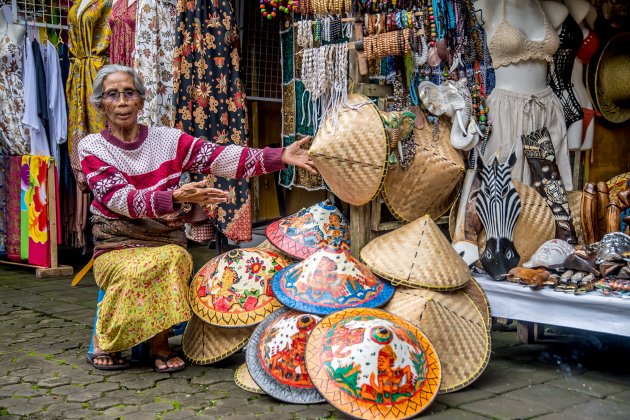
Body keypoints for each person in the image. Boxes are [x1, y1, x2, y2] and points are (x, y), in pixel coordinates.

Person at [79, 64, 317, 372]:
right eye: (112, 95)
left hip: (164, 239)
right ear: (100, 103)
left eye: (129, 93)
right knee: (140, 268)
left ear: (140, 100)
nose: (122, 101)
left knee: (175, 259)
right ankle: (109, 340)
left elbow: (220, 158)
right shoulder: (92, 147)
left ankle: (159, 344)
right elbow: (122, 201)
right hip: (117, 243)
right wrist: (175, 197)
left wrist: (279, 156)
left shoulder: (167, 140)